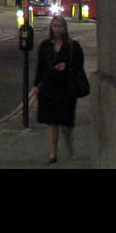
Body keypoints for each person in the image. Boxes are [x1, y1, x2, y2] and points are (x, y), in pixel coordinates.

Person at [29, 14, 85, 163]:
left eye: (59, 26)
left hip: (66, 87)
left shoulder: (73, 46)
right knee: (51, 121)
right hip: (48, 87)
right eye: (54, 26)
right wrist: (36, 86)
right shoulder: (45, 46)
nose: (57, 29)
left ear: (64, 28)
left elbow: (79, 65)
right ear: (51, 28)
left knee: (66, 122)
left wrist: (66, 66)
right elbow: (40, 67)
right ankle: (53, 153)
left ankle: (68, 144)